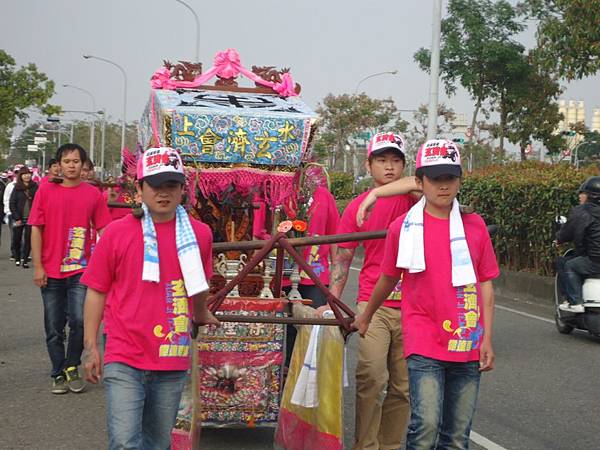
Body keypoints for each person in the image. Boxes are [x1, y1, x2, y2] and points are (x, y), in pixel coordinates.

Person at [353, 139, 499, 450]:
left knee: (457, 436)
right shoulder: (403, 227)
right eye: (434, 179)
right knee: (425, 427)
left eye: (450, 178)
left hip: (466, 338)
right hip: (423, 340)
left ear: (459, 180)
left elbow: (485, 282)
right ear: (420, 182)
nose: (443, 186)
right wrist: (366, 315)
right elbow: (389, 276)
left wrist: (486, 338)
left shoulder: (475, 226)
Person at [81, 146, 219, 449]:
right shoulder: (116, 233)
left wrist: (201, 312)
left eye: (171, 185)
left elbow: (198, 284)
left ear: (183, 190)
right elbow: (96, 291)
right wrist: (90, 346)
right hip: (124, 353)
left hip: (171, 357)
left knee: (158, 443)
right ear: (139, 189)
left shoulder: (200, 234)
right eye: (155, 185)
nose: (163, 193)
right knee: (125, 442)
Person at [329, 132, 419, 450]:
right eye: (382, 160)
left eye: (396, 160)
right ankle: (365, 445)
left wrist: (375, 196)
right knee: (370, 375)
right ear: (369, 165)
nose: (389, 167)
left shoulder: (416, 198)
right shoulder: (356, 208)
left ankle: (390, 444)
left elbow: (418, 183)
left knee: (404, 385)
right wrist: (333, 304)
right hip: (373, 303)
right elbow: (343, 257)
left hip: (414, 304)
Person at [28, 143, 112, 394]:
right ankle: (57, 371)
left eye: (77, 161)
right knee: (54, 326)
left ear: (83, 165)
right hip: (51, 270)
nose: (72, 165)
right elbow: (36, 228)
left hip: (81, 270)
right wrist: (38, 267)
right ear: (59, 165)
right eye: (67, 161)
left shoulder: (92, 194)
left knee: (78, 319)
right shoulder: (45, 191)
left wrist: (111, 260)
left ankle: (72, 366)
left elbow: (104, 229)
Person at [557, 176, 600, 313]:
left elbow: (568, 231)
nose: (581, 197)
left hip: (594, 261)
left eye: (583, 194)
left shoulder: (581, 212)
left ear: (589, 196)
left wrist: (558, 239)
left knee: (567, 264)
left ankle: (575, 301)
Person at [9, 166, 38, 268]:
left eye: (28, 174)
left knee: (28, 239)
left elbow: (39, 202)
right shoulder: (16, 188)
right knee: (16, 239)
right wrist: (16, 217)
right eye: (24, 174)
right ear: (20, 176)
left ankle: (25, 260)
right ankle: (17, 258)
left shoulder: (35, 187)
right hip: (19, 218)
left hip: (31, 218)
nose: (27, 176)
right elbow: (12, 203)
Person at [4, 170, 17, 260]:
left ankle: (24, 253)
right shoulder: (10, 186)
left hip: (24, 215)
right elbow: (6, 199)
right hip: (12, 214)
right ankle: (14, 253)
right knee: (14, 234)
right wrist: (8, 212)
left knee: (25, 236)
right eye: (17, 172)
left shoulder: (29, 185)